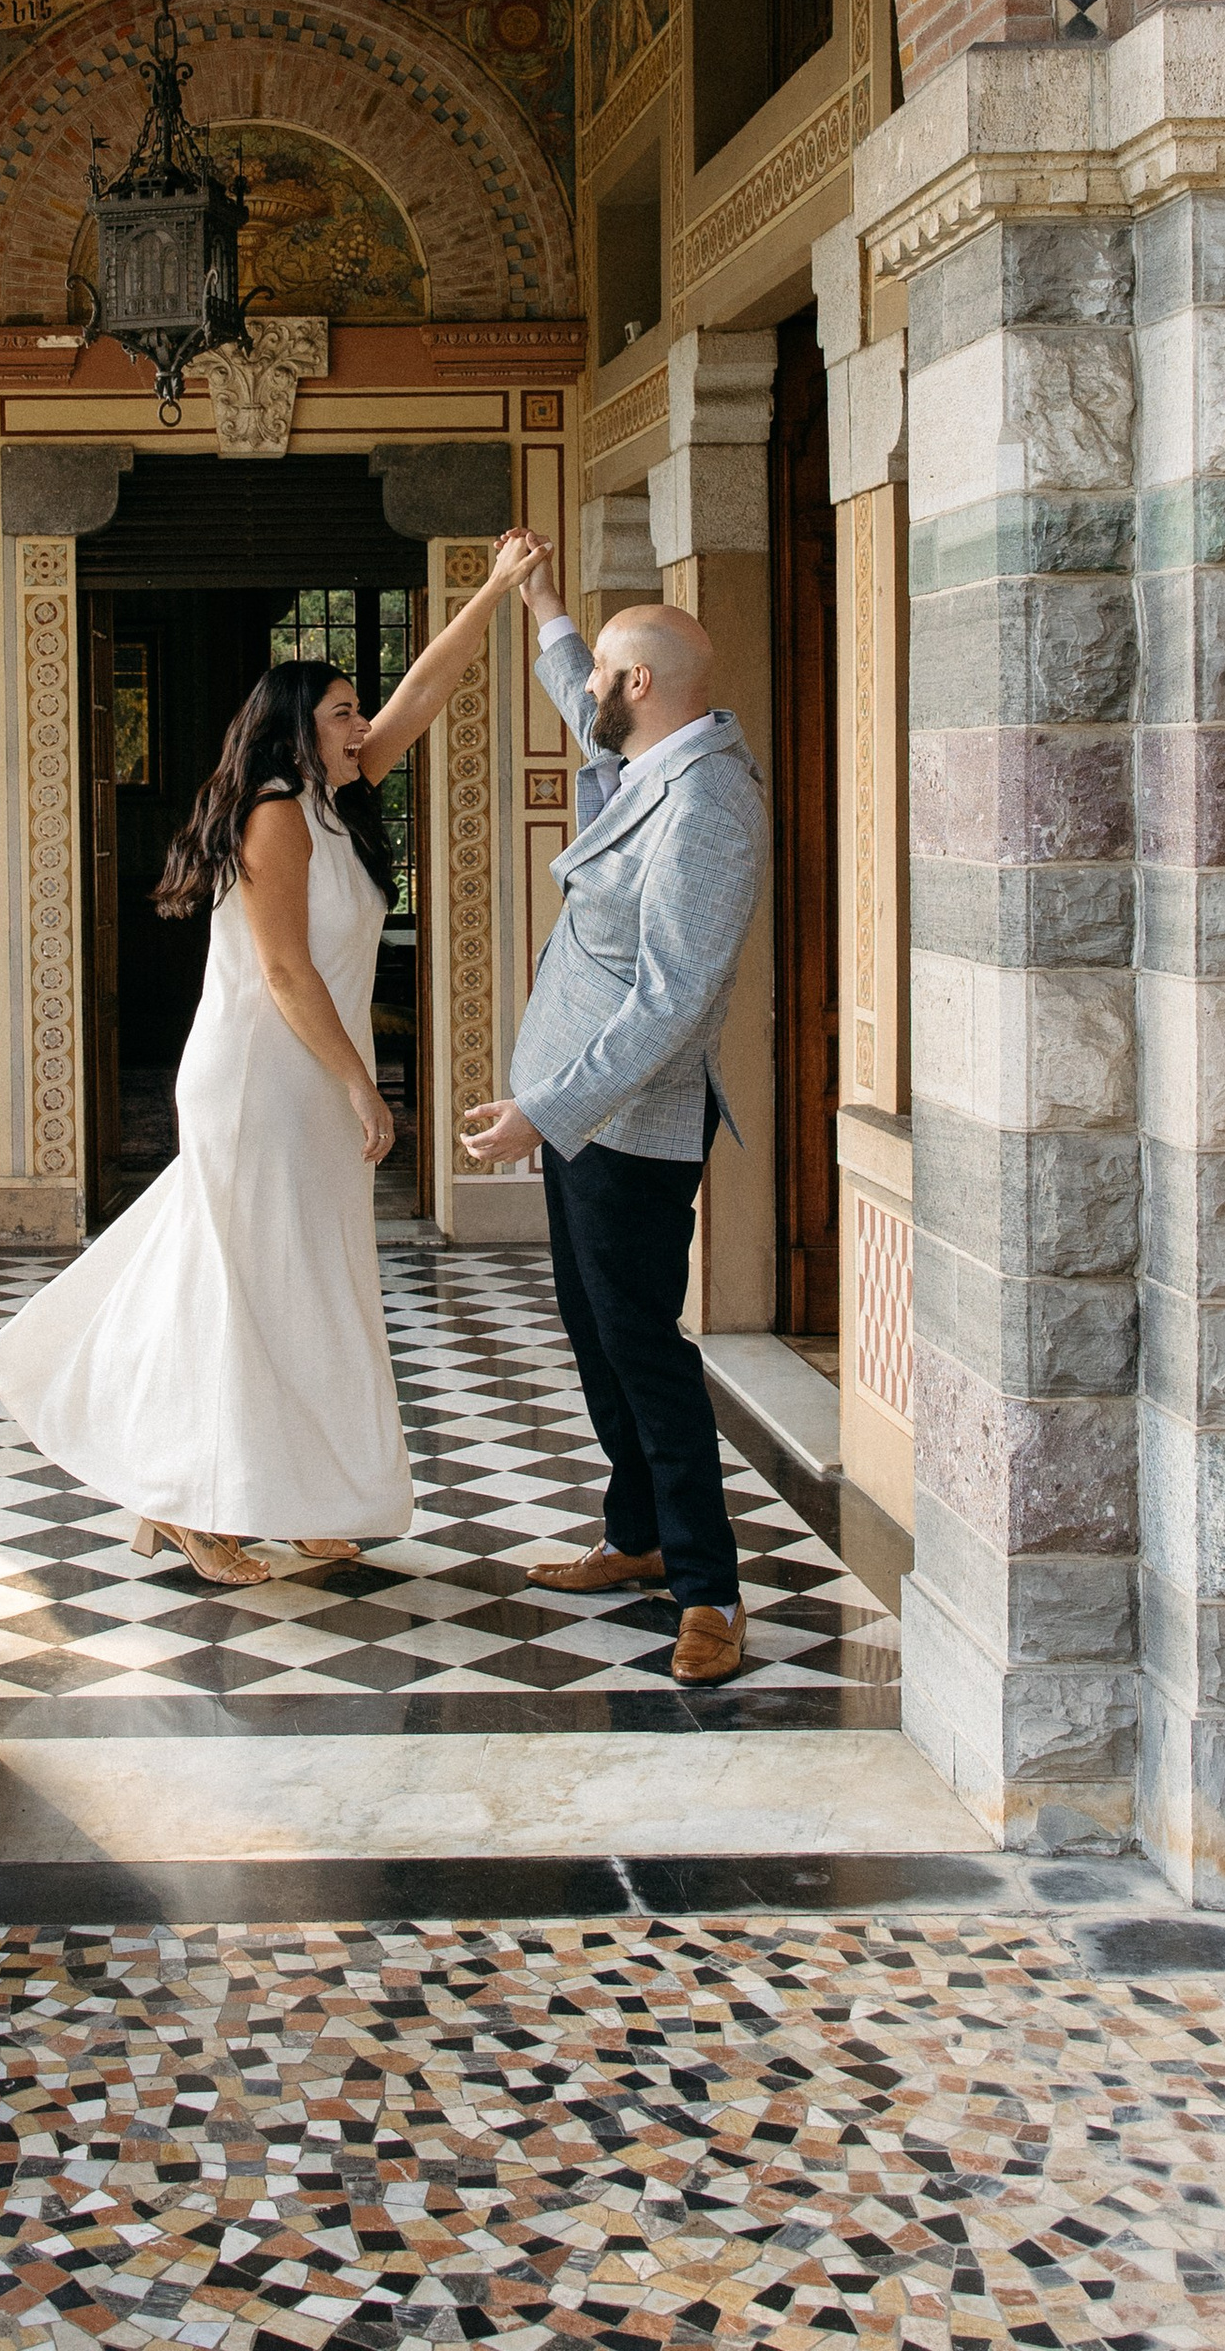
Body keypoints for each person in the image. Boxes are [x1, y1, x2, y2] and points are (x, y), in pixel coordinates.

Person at [0, 532, 544, 1584]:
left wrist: (497, 593)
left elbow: (422, 692)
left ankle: (274, 1493)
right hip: (258, 1076)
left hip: (299, 1077)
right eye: (339, 710)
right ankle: (200, 1499)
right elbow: (287, 974)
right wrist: (360, 1083)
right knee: (251, 1288)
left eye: (353, 710)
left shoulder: (337, 798)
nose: (360, 722)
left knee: (298, 1284)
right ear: (294, 728)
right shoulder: (277, 814)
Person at [460, 536, 769, 1686]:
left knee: (642, 1348)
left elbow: (674, 996)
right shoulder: (649, 756)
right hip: (578, 1114)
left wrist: (548, 1110)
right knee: (596, 1334)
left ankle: (709, 1590)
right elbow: (579, 694)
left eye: (602, 674)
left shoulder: (709, 806)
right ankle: (635, 1535)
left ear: (641, 688)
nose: (585, 687)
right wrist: (542, 604)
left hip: (625, 1123)